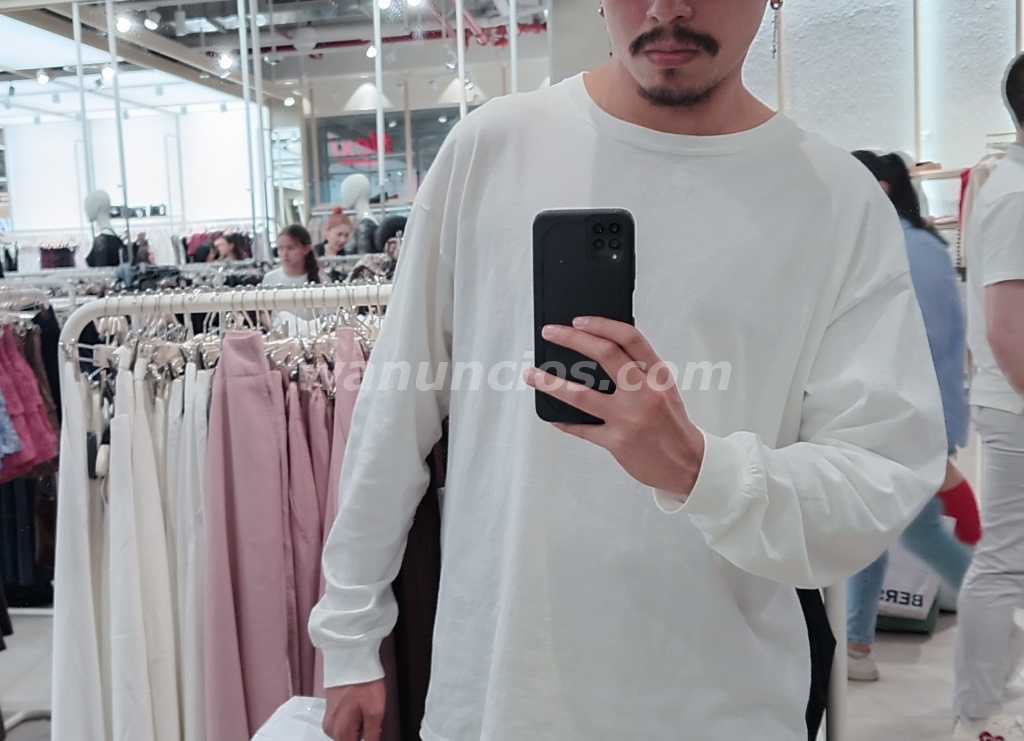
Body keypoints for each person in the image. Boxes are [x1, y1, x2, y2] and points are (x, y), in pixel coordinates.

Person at [308, 3, 947, 741]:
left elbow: (879, 474)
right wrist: (349, 631)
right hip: (498, 693)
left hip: (722, 705)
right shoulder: (491, 148)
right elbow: (395, 414)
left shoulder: (833, 198)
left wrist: (700, 470)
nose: (667, 9)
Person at [844, 150, 980, 683]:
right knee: (906, 531)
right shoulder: (924, 245)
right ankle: (857, 645)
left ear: (878, 189)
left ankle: (858, 646)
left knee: (872, 528)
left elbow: (905, 342)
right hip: (923, 412)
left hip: (901, 415)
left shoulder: (894, 249)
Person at [952, 53, 1024, 741]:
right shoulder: (1016, 196)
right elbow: (1006, 330)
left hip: (1011, 401)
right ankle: (979, 713)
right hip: (1016, 404)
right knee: (1004, 563)